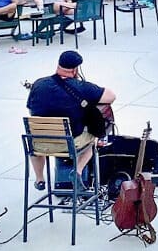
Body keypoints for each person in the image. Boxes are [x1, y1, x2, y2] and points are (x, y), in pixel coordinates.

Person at [24, 50, 115, 191]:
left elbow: (30, 108)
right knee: (94, 138)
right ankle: (77, 171)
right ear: (75, 69)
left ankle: (40, 179)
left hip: (40, 143)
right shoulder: (82, 87)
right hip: (69, 145)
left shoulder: (38, 84)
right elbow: (111, 96)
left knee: (35, 143)